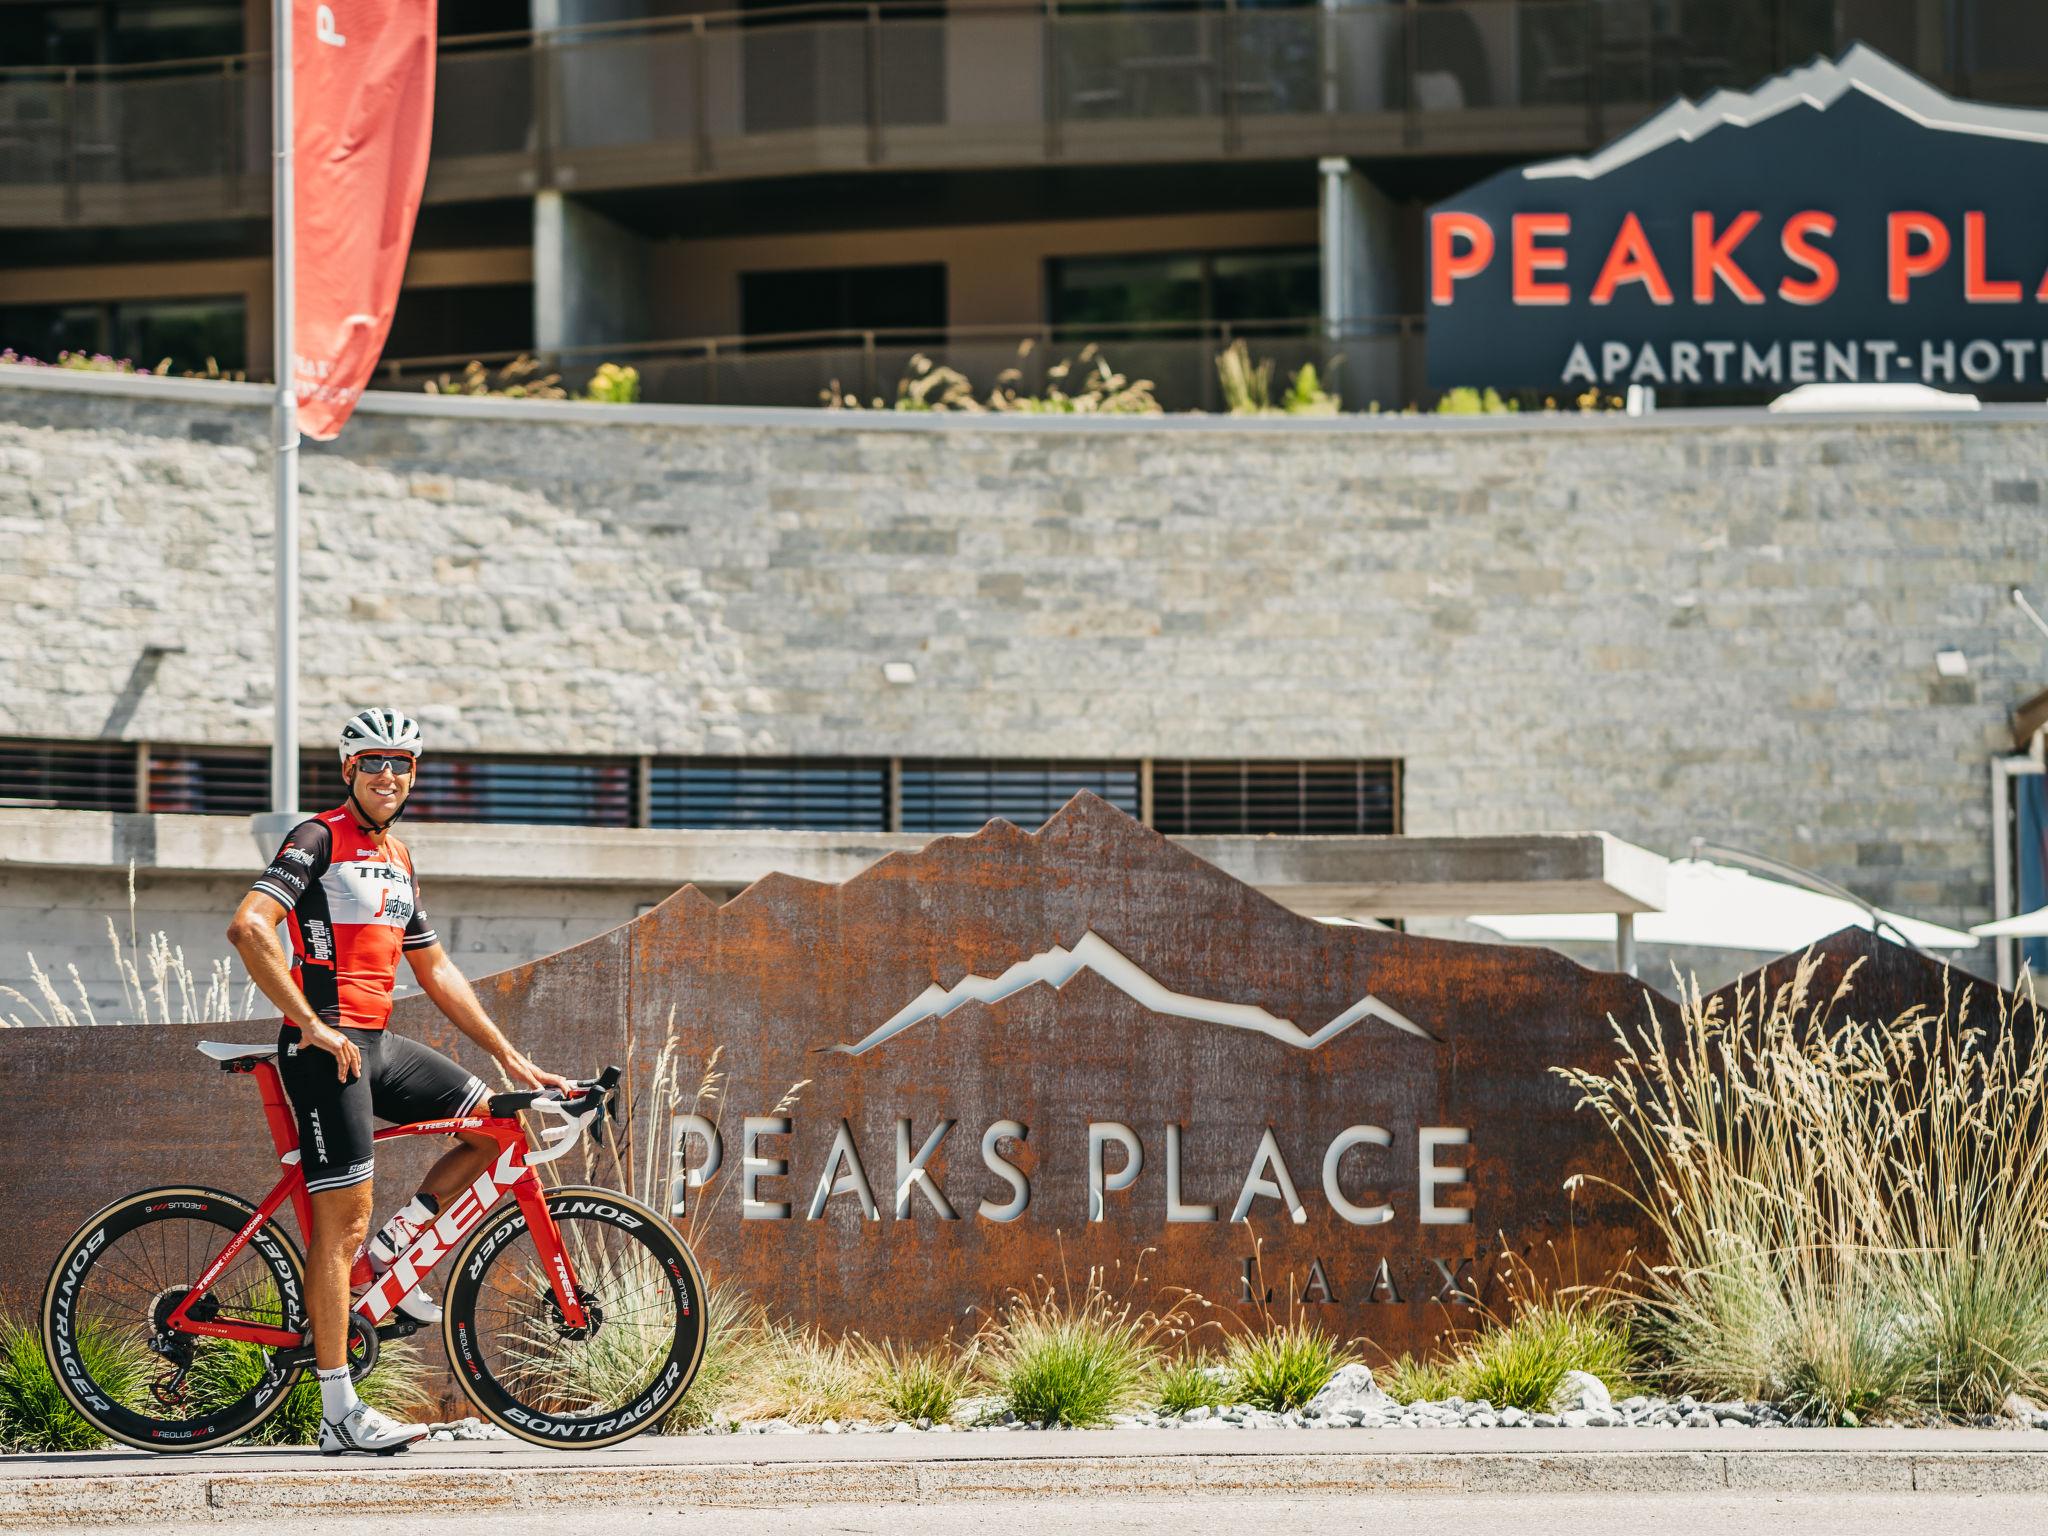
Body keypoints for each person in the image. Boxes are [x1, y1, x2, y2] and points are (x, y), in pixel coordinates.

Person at [226, 708, 570, 1455]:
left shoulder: (400, 856)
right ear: (349, 771)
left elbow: (436, 969)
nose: (390, 775)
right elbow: (251, 926)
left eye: (403, 764)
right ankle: (336, 1413)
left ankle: (391, 1257)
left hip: (376, 1044)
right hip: (326, 1049)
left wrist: (511, 1057)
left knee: (494, 1126)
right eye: (375, 762)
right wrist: (309, 1024)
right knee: (339, 1225)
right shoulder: (316, 838)